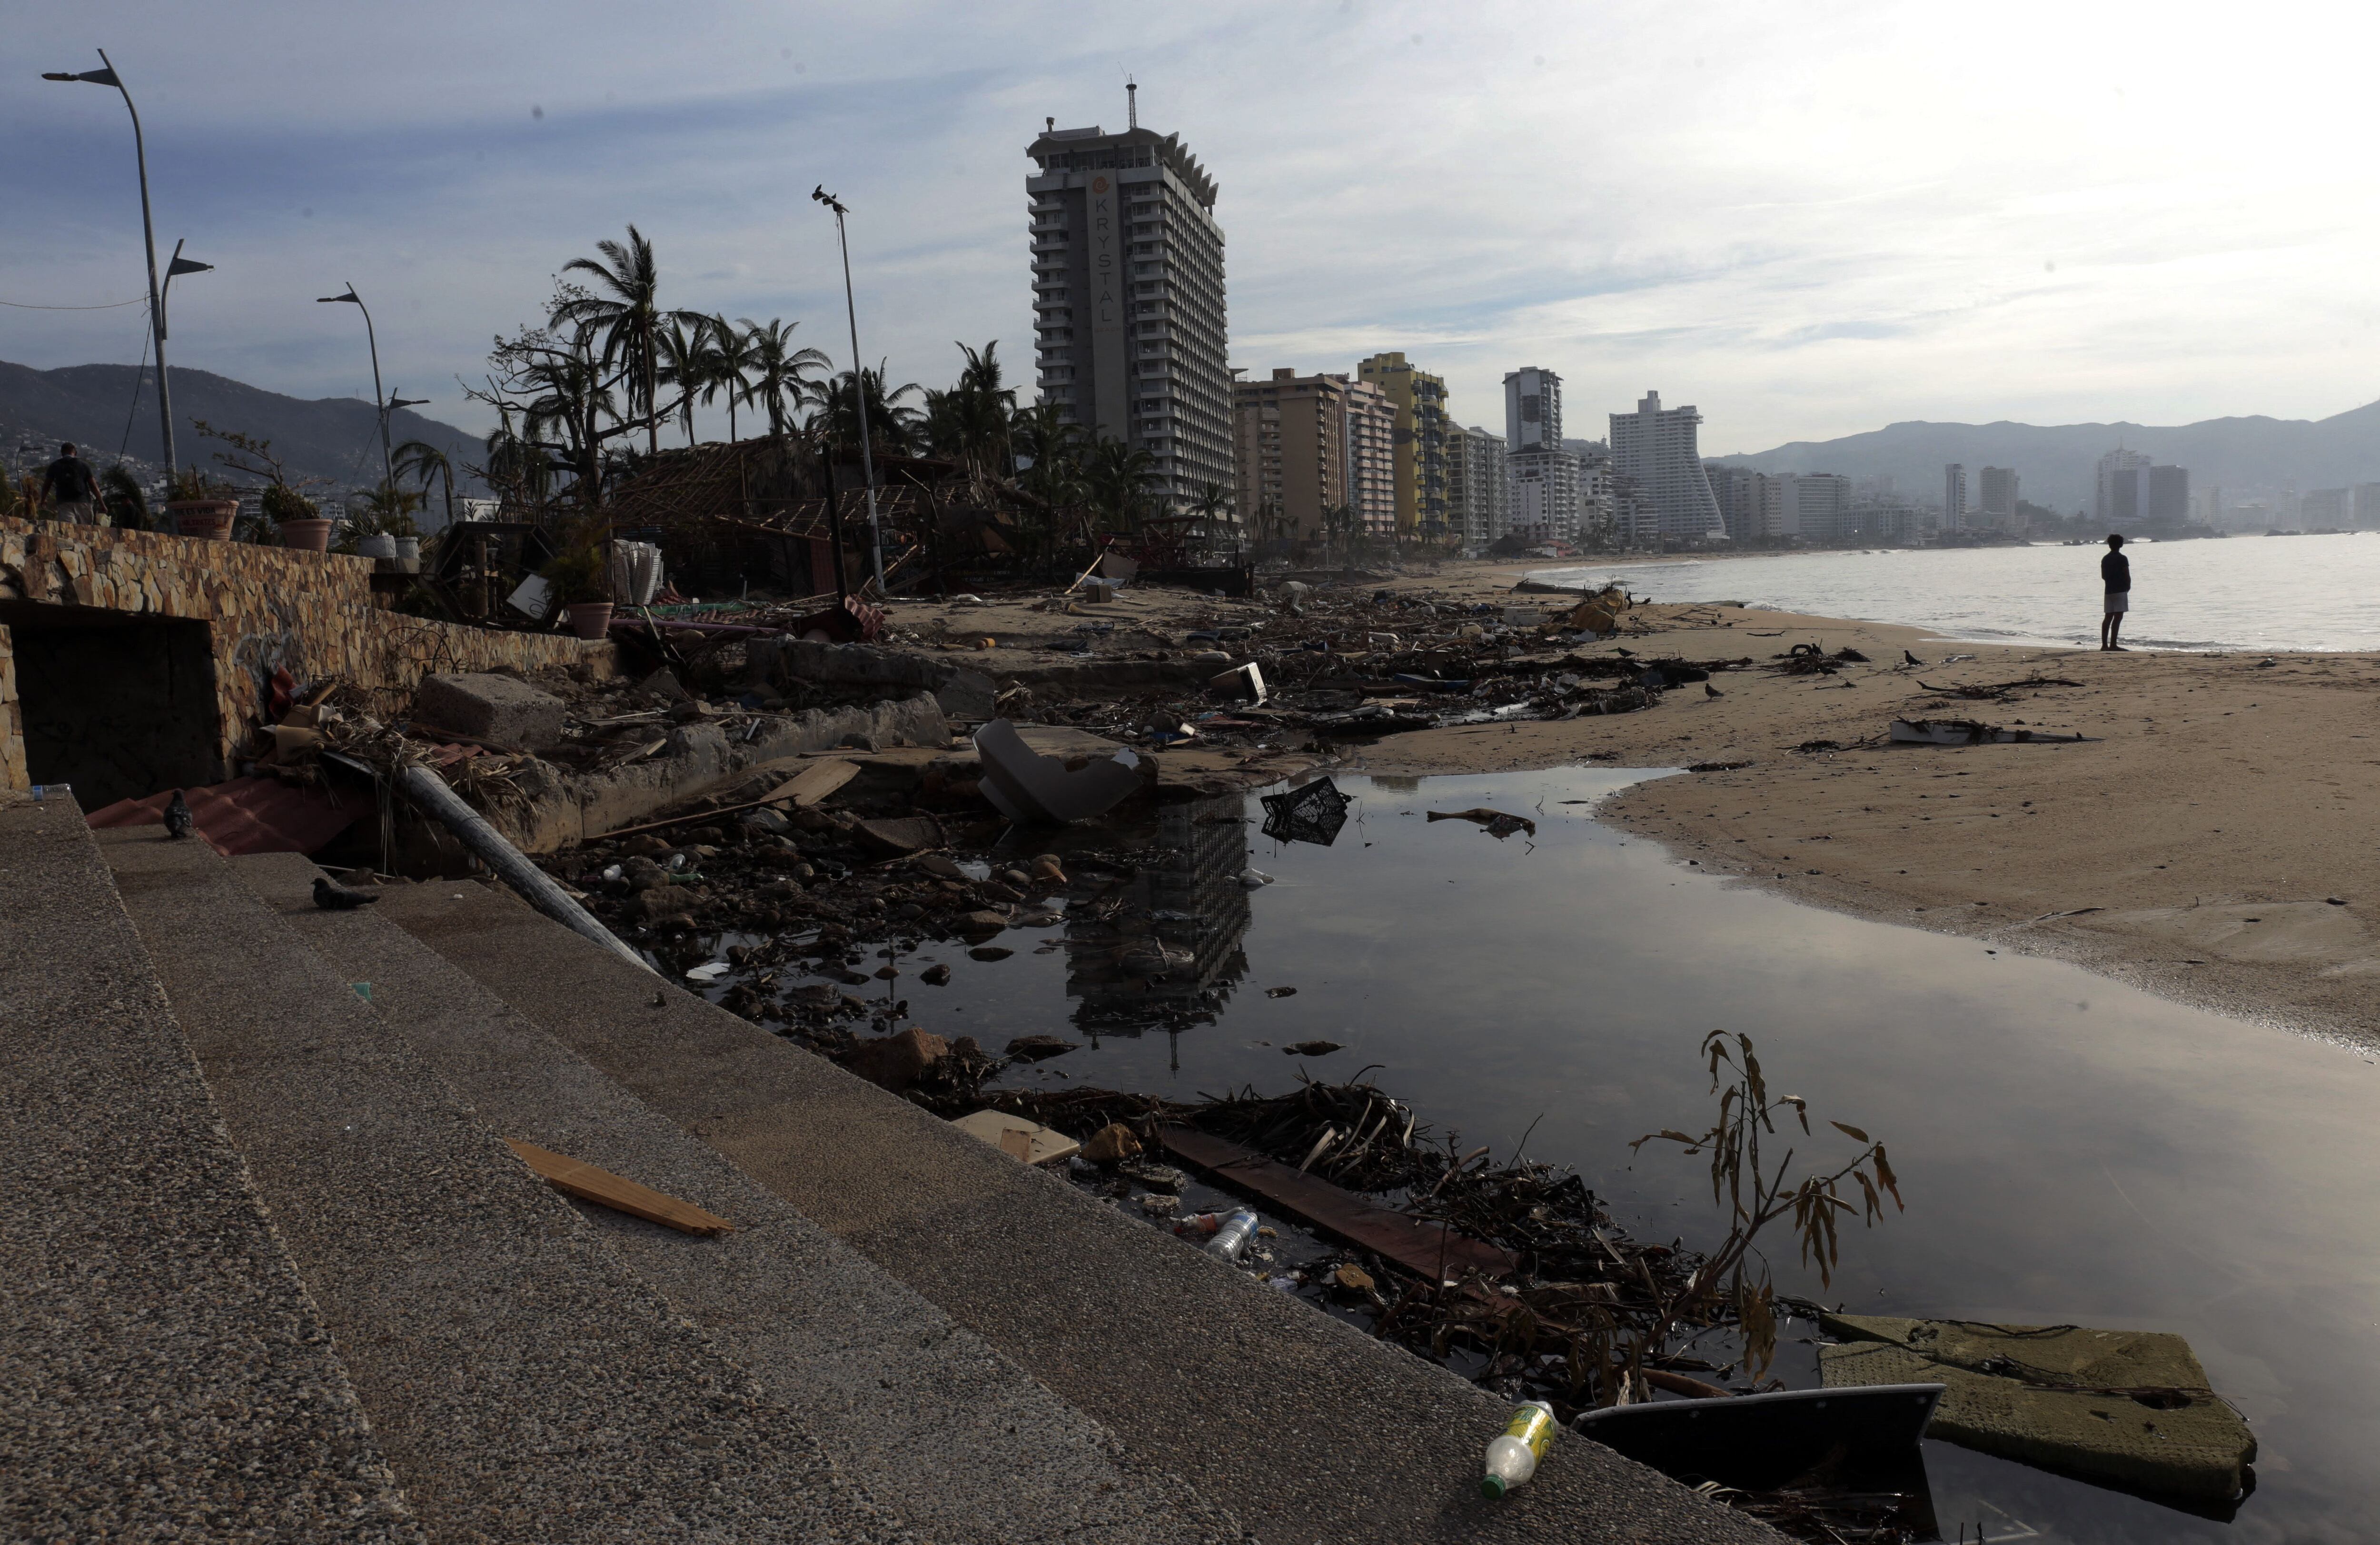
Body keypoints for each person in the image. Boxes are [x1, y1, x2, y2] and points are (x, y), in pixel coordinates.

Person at [39, 443, 102, 526]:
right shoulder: (84, 465)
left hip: (64, 502)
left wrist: (43, 500)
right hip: (83, 502)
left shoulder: (55, 466)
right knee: (85, 529)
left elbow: (47, 486)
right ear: (75, 453)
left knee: (68, 528)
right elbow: (94, 486)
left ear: (62, 453)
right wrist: (102, 504)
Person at [2099, 533, 2131, 651]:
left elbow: (2103, 576)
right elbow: (2127, 575)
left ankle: (2104, 645)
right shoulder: (2123, 558)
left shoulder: (2105, 559)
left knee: (2108, 617)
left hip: (2108, 590)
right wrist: (2128, 586)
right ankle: (2113, 644)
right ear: (2121, 545)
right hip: (2120, 590)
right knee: (2118, 618)